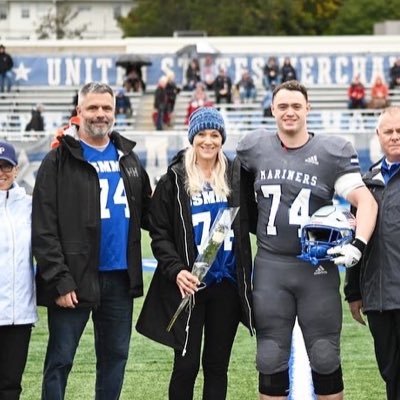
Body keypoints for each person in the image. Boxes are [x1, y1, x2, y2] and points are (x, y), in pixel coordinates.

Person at [236, 80, 378, 400]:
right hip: (271, 266)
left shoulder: (331, 152)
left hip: (316, 268)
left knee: (326, 355)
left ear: (308, 109)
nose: (290, 112)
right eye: (283, 106)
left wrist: (358, 244)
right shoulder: (254, 146)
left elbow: (366, 201)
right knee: (270, 356)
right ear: (272, 110)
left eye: (296, 106)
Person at [32, 81, 152, 400]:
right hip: (74, 280)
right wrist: (60, 280)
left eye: (106, 108)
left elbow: (151, 213)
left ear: (115, 112)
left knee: (114, 360)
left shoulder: (129, 158)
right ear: (79, 111)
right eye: (93, 108)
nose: (100, 114)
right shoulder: (57, 161)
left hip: (118, 278)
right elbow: (43, 229)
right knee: (60, 361)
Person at [136, 106, 255, 400]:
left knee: (216, 366)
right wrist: (177, 270)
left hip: (225, 284)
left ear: (222, 138)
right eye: (202, 133)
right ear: (192, 137)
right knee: (186, 366)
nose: (208, 141)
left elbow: (257, 217)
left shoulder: (235, 177)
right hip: (190, 285)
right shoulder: (174, 180)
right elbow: (159, 233)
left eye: (215, 134)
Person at [345, 106, 400, 400]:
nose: (395, 136)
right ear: (378, 135)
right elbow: (357, 239)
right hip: (378, 298)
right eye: (389, 131)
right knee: (390, 372)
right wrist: (353, 291)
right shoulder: (365, 185)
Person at [0, 141, 37, 400]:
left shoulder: (30, 205)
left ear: (15, 170)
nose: (1, 172)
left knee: (11, 386)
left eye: (5, 167)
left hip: (19, 315)